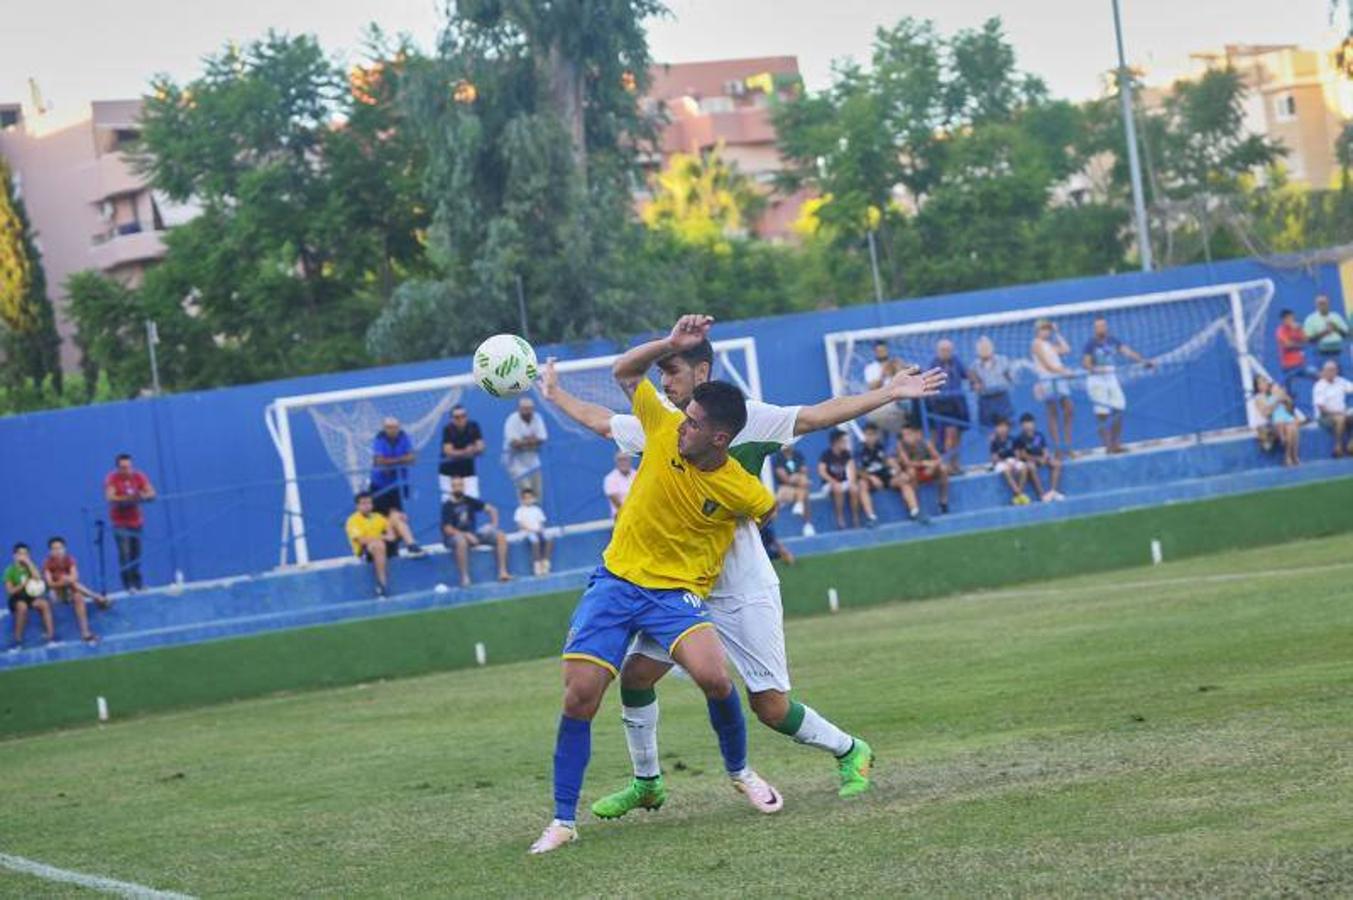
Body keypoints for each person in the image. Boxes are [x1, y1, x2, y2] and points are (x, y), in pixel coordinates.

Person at [535, 317, 945, 840]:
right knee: (636, 676)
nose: (665, 380)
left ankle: (849, 749)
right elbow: (600, 420)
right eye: (662, 372)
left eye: (673, 370)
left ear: (702, 372)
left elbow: (818, 415)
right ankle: (647, 782)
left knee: (770, 706)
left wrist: (887, 392)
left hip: (741, 584)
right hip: (674, 586)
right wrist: (556, 394)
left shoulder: (749, 420)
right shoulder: (669, 426)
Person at [529, 319, 779, 855]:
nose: (681, 425)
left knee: (714, 677)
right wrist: (671, 344)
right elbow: (624, 372)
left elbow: (763, 512)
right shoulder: (661, 424)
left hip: (674, 594)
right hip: (616, 581)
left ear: (718, 438)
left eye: (693, 423)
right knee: (580, 696)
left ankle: (740, 772)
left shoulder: (742, 487)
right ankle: (563, 820)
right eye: (683, 418)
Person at [1082, 318, 1154, 454]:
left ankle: (1116, 444)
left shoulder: (1113, 341)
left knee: (1119, 408)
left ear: (1106, 327)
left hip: (1111, 377)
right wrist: (1096, 369)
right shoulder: (1090, 344)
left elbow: (1128, 352)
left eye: (1103, 325)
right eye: (1098, 326)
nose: (1101, 328)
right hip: (1096, 379)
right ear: (1094, 329)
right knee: (1102, 413)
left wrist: (1144, 361)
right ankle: (1107, 446)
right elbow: (1086, 363)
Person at [344, 491, 419, 597]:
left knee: (395, 517)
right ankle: (382, 585)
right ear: (357, 506)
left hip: (384, 545)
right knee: (378, 545)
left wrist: (390, 531)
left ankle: (412, 545)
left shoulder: (378, 517)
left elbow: (391, 535)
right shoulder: (352, 520)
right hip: (365, 551)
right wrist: (382, 537)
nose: (367, 506)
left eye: (369, 503)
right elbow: (361, 540)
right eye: (363, 503)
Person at [440, 477, 510, 586]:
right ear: (451, 488)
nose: (458, 488)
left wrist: (493, 526)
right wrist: (466, 535)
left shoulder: (469, 501)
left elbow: (492, 510)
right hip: (453, 538)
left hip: (472, 535)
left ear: (463, 486)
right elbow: (447, 529)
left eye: (460, 485)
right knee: (461, 541)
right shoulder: (447, 506)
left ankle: (503, 572)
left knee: (500, 535)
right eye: (455, 486)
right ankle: (465, 577)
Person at [104, 452, 155, 592]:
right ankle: (128, 585)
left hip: (136, 521)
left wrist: (143, 496)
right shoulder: (112, 478)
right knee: (124, 554)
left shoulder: (138, 476)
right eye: (123, 468)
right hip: (120, 523)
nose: (126, 470)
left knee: (136, 554)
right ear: (118, 468)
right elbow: (110, 497)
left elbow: (151, 493)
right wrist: (129, 498)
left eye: (128, 467)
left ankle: (138, 583)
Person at [925, 338, 975, 473]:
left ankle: (955, 464)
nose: (946, 352)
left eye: (948, 350)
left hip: (958, 403)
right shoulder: (934, 364)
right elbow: (929, 383)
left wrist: (975, 382)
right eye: (943, 350)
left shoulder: (956, 361)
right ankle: (946, 465)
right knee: (947, 436)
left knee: (957, 435)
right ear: (938, 351)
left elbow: (967, 374)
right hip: (942, 405)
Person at [42, 537, 104, 644]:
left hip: (70, 590)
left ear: (65, 549)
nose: (57, 551)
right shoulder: (47, 563)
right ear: (50, 551)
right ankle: (96, 597)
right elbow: (50, 584)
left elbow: (75, 577)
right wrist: (62, 581)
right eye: (54, 549)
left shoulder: (69, 559)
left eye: (60, 548)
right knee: (71, 583)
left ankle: (85, 634)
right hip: (56, 594)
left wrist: (66, 580)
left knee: (78, 596)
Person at [1031, 319, 1077, 456]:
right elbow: (1047, 365)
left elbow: (1066, 349)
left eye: (1048, 329)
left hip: (1059, 379)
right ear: (1037, 331)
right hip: (1048, 380)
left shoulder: (1049, 344)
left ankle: (1068, 445)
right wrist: (1065, 372)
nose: (1046, 332)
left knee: (1069, 409)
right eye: (1043, 329)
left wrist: (1057, 333)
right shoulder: (1036, 343)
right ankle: (1058, 449)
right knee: (1053, 413)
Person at [896, 422, 950, 520]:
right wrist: (924, 463)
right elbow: (907, 463)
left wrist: (933, 466)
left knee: (943, 468)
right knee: (911, 472)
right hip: (914, 472)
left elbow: (939, 459)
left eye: (909, 434)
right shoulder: (901, 446)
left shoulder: (926, 443)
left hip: (929, 470)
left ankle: (943, 502)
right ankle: (916, 507)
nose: (906, 437)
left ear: (916, 434)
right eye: (904, 435)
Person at [5, 543, 54, 648]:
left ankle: (50, 638)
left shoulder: (30, 567)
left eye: (26, 554)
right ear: (15, 556)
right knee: (22, 607)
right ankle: (18, 640)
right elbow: (10, 591)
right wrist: (22, 585)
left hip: (30, 597)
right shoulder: (10, 570)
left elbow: (38, 578)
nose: (23, 556)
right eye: (20, 554)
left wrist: (29, 563)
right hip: (16, 598)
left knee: (44, 604)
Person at [503, 396, 548, 498]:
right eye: (525, 409)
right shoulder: (512, 420)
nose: (528, 411)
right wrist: (532, 440)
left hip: (533, 460)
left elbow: (542, 438)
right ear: (519, 409)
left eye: (530, 409)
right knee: (526, 491)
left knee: (538, 492)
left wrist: (524, 441)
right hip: (515, 461)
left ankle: (537, 508)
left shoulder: (537, 418)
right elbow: (514, 443)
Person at [862, 340, 910, 434]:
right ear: (875, 352)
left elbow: (904, 383)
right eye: (879, 351)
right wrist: (883, 374)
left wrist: (899, 369)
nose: (882, 353)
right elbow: (872, 388)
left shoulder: (895, 364)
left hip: (899, 399)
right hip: (883, 401)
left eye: (883, 350)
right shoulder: (870, 368)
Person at [1015, 413, 1065, 501]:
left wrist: (1045, 458)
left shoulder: (1039, 436)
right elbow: (1023, 455)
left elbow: (1045, 449)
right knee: (1031, 467)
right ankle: (1042, 494)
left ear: (1034, 424)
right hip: (1030, 461)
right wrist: (1037, 459)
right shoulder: (1020, 438)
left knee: (1057, 464)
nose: (1028, 426)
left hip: (1041, 458)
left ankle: (1053, 491)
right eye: (1025, 424)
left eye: (1030, 423)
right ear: (1022, 426)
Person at [438, 405, 485, 501]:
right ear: (451, 419)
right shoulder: (448, 429)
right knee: (449, 502)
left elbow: (481, 447)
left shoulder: (473, 426)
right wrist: (466, 452)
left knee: (473, 500)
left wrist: (473, 449)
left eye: (463, 416)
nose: (461, 419)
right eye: (457, 417)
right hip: (449, 472)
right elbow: (448, 451)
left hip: (468, 470)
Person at [1253, 375, 1300, 467]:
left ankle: (1293, 455)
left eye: (1265, 381)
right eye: (1262, 382)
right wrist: (1278, 400)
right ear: (1257, 386)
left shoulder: (1273, 394)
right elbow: (1267, 413)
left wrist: (1286, 399)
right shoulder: (1259, 398)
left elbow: (1290, 408)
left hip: (1281, 421)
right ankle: (1288, 456)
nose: (1265, 383)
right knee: (1287, 427)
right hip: (1266, 426)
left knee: (1292, 428)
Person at [818, 428, 860, 529]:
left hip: (843, 482)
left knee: (854, 489)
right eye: (843, 441)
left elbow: (852, 469)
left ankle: (855, 517)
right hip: (828, 484)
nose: (845, 443)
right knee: (838, 488)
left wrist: (852, 482)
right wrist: (833, 482)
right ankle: (840, 518)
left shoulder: (846, 454)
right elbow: (822, 472)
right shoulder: (826, 455)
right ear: (836, 442)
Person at [855, 423, 895, 526]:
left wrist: (894, 466)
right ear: (864, 435)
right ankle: (871, 517)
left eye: (872, 434)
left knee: (904, 478)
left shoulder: (882, 447)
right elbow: (858, 471)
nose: (870, 437)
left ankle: (915, 511)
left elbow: (889, 461)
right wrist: (871, 478)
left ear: (877, 435)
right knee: (862, 485)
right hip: (870, 479)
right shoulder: (859, 450)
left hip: (885, 476)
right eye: (868, 434)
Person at [972, 336, 1015, 430]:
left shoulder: (1003, 360)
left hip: (1001, 398)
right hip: (985, 400)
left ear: (992, 348)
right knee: (988, 429)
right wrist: (976, 386)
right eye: (981, 348)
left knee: (1006, 426)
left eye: (986, 347)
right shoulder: (975, 366)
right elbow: (974, 384)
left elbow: (1011, 377)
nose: (984, 350)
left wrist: (1007, 381)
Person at [1312, 360, 1353, 458]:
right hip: (1324, 416)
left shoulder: (1341, 381)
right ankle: (1338, 446)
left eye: (1334, 370)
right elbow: (1321, 408)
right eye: (1329, 370)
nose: (1332, 372)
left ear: (1337, 371)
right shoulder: (1319, 386)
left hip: (1342, 413)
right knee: (1340, 419)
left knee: (1345, 416)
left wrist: (1342, 412)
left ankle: (1351, 445)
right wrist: (1337, 413)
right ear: (1324, 371)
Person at [1275, 309, 1318, 399]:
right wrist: (1300, 345)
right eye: (1289, 318)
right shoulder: (1281, 330)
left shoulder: (1297, 328)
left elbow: (1306, 340)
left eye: (1292, 318)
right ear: (1284, 319)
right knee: (1288, 392)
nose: (1292, 320)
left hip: (1301, 365)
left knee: (1318, 376)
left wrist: (1300, 329)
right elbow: (1287, 344)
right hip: (1288, 367)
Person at [772, 444, 814, 535]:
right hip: (785, 488)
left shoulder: (798, 455)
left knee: (804, 488)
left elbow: (804, 471)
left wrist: (797, 477)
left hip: (799, 486)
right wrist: (797, 477)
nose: (790, 444)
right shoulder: (778, 458)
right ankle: (807, 524)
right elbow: (784, 478)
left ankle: (799, 504)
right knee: (804, 489)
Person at [989, 416, 1031, 506]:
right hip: (1001, 462)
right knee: (1006, 470)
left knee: (1024, 467)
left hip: (1012, 460)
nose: (1002, 429)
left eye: (1004, 426)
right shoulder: (994, 442)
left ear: (1008, 428)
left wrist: (1015, 462)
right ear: (996, 428)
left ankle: (1018, 494)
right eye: (999, 426)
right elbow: (994, 458)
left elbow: (1017, 454)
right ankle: (1019, 493)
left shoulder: (1013, 439)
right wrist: (1005, 462)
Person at [1303, 294, 1349, 372]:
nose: (1322, 305)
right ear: (1316, 305)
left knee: (1340, 376)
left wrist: (1336, 328)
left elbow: (1346, 335)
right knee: (1324, 376)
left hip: (1338, 353)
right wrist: (1325, 332)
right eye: (1320, 303)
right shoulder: (1310, 319)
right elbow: (1308, 339)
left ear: (1328, 303)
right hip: (1321, 354)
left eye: (1324, 303)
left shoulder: (1336, 316)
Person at [514, 488, 554, 576]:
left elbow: (541, 523)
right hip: (526, 532)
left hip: (538, 530)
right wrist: (531, 530)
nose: (528, 500)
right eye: (526, 498)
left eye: (530, 498)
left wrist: (540, 530)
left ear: (533, 499)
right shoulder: (519, 510)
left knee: (549, 539)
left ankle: (545, 563)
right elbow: (520, 525)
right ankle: (537, 565)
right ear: (522, 500)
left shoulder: (537, 509)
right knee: (535, 541)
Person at [602, 452, 636, 519]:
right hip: (620, 515)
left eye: (625, 459)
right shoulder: (610, 478)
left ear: (630, 460)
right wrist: (628, 513)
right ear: (616, 462)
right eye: (620, 460)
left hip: (638, 513)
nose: (622, 462)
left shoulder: (637, 475)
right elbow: (614, 499)